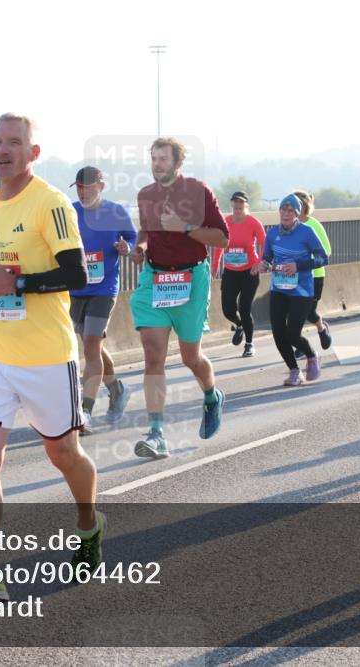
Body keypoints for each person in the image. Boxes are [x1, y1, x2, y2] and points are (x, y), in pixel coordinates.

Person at [0, 113, 102, 600]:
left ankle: (89, 525)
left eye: (14, 142)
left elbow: (77, 275)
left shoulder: (51, 202)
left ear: (32, 153)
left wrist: (17, 284)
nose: (3, 150)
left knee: (63, 454)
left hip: (46, 357)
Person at [130, 137, 229, 459]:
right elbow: (146, 231)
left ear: (177, 163)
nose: (157, 164)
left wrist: (184, 227)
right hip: (155, 278)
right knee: (152, 353)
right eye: (153, 158)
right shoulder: (145, 195)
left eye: (163, 158)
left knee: (190, 357)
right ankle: (156, 433)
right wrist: (139, 248)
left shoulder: (198, 191)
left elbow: (222, 239)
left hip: (191, 278)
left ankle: (211, 396)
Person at [68, 166, 136, 434]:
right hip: (76, 289)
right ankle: (117, 390)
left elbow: (132, 237)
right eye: (79, 187)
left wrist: (126, 247)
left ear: (101, 186)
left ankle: (84, 411)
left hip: (104, 288)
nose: (83, 192)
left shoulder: (115, 212)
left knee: (90, 346)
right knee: (92, 346)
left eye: (88, 187)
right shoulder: (70, 211)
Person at [251, 194, 328, 386]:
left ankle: (312, 355)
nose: (286, 214)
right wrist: (262, 265)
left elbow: (323, 258)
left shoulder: (307, 232)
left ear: (297, 213)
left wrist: (298, 266)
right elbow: (267, 257)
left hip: (302, 291)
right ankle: (295, 371)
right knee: (278, 333)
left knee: (292, 334)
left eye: (290, 211)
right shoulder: (272, 234)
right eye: (283, 210)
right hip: (279, 289)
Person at [211, 191, 266, 358]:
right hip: (230, 272)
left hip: (250, 272)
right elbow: (220, 244)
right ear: (232, 205)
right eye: (235, 205)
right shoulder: (226, 222)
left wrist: (259, 263)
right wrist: (215, 265)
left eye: (241, 205)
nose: (237, 208)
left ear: (246, 206)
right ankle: (240, 324)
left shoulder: (253, 223)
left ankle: (249, 344)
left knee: (244, 308)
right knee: (228, 309)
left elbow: (265, 245)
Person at [295, 191, 333, 352]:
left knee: (309, 312)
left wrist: (306, 262)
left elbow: (327, 251)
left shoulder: (314, 225)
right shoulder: (288, 225)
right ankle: (300, 344)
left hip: (315, 276)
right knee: (295, 311)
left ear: (303, 206)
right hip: (294, 276)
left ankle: (321, 328)